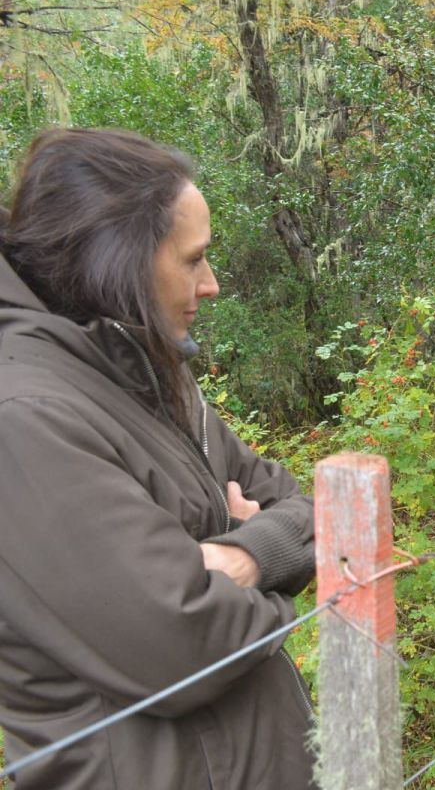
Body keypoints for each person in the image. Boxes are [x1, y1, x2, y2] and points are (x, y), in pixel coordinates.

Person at [0, 128, 316, 789]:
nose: (213, 285)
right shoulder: (24, 421)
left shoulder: (152, 379)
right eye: (194, 260)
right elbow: (183, 644)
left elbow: (308, 512)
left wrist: (240, 555)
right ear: (116, 262)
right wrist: (264, 574)